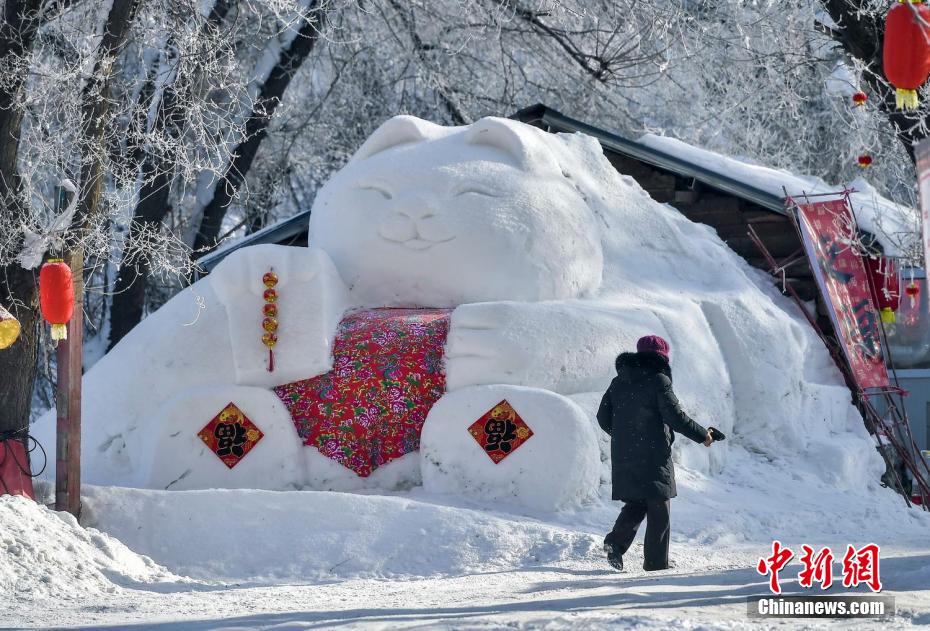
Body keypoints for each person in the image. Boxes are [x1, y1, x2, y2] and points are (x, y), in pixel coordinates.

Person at [596, 334, 716, 572]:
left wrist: (624, 436)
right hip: (653, 454)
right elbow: (676, 418)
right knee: (659, 507)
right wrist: (704, 435)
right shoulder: (659, 381)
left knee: (636, 502)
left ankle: (615, 543)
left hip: (625, 454)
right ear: (663, 357)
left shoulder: (618, 382)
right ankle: (655, 563)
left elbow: (602, 417)